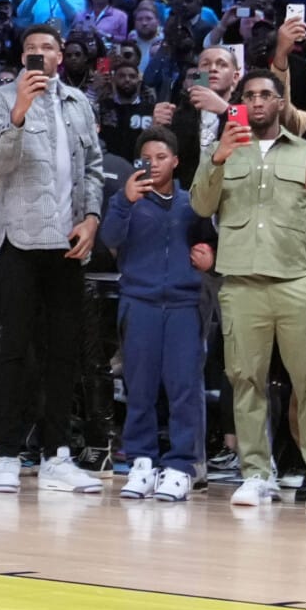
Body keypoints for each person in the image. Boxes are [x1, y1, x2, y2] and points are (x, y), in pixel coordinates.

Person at [190, 68, 306, 511]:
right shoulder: (223, 152)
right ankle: (256, 473)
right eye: (249, 95)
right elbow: (200, 204)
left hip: (297, 283)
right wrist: (217, 158)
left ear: (280, 104)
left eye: (266, 95)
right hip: (239, 282)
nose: (257, 102)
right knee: (245, 382)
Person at [0, 22, 111, 494]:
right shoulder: (1, 98)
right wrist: (19, 110)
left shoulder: (79, 104)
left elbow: (93, 168)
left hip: (68, 242)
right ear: (22, 58)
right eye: (31, 48)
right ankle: (8, 455)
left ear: (61, 56)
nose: (39, 53)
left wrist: (92, 218)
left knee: (63, 354)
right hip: (18, 240)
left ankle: (57, 455)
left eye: (47, 47)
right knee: (12, 352)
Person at [99, 131, 216, 501]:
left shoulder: (191, 203)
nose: (153, 163)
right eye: (146, 156)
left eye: (161, 156)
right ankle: (142, 462)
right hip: (139, 303)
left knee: (183, 389)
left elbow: (211, 242)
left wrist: (212, 258)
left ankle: (181, 466)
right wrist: (122, 201)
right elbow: (110, 238)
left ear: (175, 161)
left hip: (184, 305)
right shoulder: (128, 200)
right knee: (140, 389)